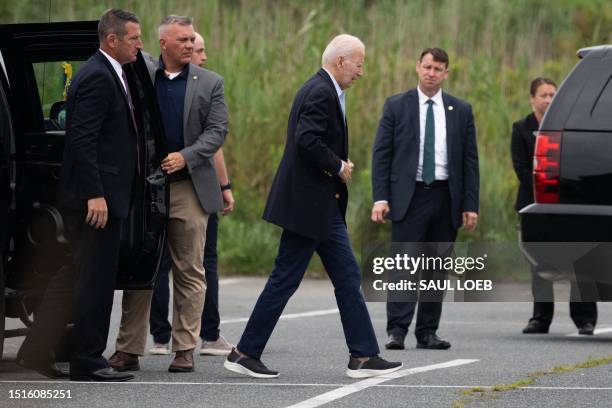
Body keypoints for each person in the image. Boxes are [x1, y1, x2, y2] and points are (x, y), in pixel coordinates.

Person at [224, 34, 402, 379]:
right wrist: (338, 165)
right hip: (310, 208)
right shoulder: (321, 91)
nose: (361, 72)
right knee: (285, 279)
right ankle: (245, 352)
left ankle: (363, 356)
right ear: (340, 62)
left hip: (320, 207)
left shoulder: (323, 88)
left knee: (347, 277)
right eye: (359, 64)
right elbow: (307, 139)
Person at [15, 8, 142, 382]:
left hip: (104, 194)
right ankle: (88, 361)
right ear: (112, 40)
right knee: (94, 281)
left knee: (72, 275)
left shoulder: (112, 72)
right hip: (96, 200)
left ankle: (35, 351)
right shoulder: (97, 76)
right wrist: (95, 195)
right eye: (134, 38)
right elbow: (81, 141)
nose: (139, 45)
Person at [109, 15, 228, 373]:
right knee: (140, 266)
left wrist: (185, 156)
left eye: (192, 39)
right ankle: (129, 348)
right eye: (183, 40)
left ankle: (184, 348)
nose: (190, 45)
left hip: (189, 187)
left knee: (190, 269)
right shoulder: (140, 75)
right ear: (163, 44)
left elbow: (217, 132)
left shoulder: (210, 82)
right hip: (145, 188)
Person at [371, 48, 479, 351]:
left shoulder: (461, 110)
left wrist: (470, 204)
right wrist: (380, 197)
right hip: (410, 196)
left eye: (439, 68)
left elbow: (470, 160)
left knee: (436, 267)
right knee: (404, 266)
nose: (432, 73)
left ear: (446, 73)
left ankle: (428, 331)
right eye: (427, 66)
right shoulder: (396, 106)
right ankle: (397, 330)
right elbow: (381, 155)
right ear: (418, 68)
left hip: (446, 197)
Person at [148, 31, 235, 357]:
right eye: (197, 49)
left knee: (171, 265)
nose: (201, 55)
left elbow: (215, 141)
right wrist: (225, 187)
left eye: (198, 48)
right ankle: (202, 334)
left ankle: (168, 337)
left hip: (191, 185)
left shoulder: (202, 84)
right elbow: (215, 151)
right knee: (198, 263)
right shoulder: (191, 86)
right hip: (192, 184)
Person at [513, 77, 597, 335]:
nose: (548, 100)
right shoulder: (521, 128)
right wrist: (544, 192)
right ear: (532, 98)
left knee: (581, 260)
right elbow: (521, 167)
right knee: (539, 263)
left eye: (552, 95)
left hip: (568, 204)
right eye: (543, 95)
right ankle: (541, 318)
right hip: (534, 204)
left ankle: (584, 318)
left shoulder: (569, 127)